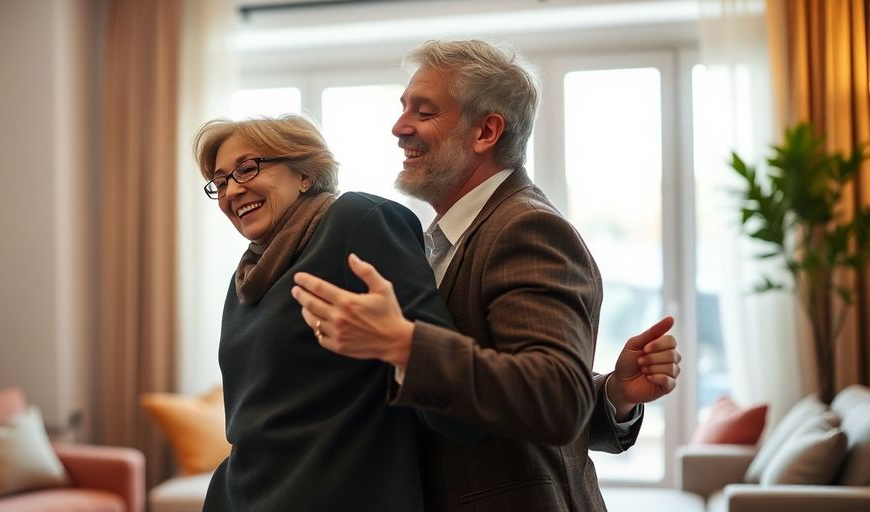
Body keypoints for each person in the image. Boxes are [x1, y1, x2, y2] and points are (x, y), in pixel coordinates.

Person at [196, 113, 676, 511]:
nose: (232, 189)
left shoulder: (357, 221)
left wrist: (399, 342)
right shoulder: (248, 277)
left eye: (248, 167)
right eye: (218, 181)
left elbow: (451, 388)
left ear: (305, 172)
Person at [291, 39, 681, 511]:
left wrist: (402, 344)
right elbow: (541, 400)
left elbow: (554, 399)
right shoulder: (446, 237)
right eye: (403, 108)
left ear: (486, 132)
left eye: (424, 111)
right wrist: (612, 395)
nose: (398, 127)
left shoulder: (526, 228)